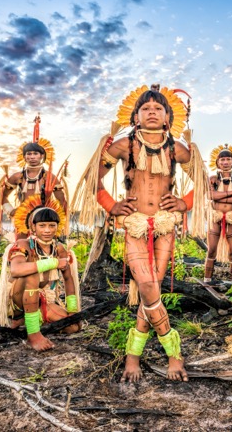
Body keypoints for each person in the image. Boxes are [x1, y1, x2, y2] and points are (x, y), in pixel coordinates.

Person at [72, 84, 209, 382]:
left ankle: (132, 356)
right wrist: (112, 205)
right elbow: (92, 180)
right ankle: (174, 354)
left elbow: (204, 182)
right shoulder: (123, 145)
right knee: (147, 285)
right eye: (145, 108)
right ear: (135, 116)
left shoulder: (177, 148)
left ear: (168, 117)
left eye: (158, 108)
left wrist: (183, 203)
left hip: (164, 225)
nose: (152, 112)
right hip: (135, 225)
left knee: (151, 290)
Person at [0, 193, 81, 351]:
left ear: (57, 227)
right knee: (32, 272)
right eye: (42, 226)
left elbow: (68, 279)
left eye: (51, 225)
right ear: (33, 227)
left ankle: (33, 318)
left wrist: (73, 311)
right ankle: (32, 333)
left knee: (73, 327)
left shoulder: (59, 248)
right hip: (18, 298)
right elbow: (16, 270)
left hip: (44, 298)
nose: (47, 230)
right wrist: (54, 262)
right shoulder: (23, 244)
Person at [0, 114, 68, 240]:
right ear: (24, 157)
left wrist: (57, 220)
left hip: (44, 218)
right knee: (21, 245)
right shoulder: (17, 177)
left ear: (41, 156)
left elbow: (62, 201)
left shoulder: (49, 177)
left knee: (44, 247)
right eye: (29, 154)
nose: (32, 157)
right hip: (23, 218)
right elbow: (2, 196)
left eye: (35, 153)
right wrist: (11, 211)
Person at [204, 144, 232, 284]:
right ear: (217, 162)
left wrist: (220, 196)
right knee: (211, 250)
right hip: (216, 217)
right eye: (222, 160)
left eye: (228, 159)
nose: (225, 162)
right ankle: (207, 280)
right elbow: (210, 195)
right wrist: (230, 194)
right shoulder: (213, 179)